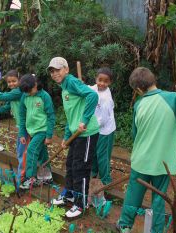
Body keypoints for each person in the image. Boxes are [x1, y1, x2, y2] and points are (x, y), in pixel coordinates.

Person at [116, 67, 176, 233]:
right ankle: (156, 230)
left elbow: (135, 134)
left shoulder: (139, 104)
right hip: (163, 163)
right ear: (153, 80)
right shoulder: (173, 98)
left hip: (140, 159)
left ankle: (125, 225)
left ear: (139, 89)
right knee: (159, 198)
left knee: (133, 193)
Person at [49, 57, 99, 218]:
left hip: (87, 133)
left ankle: (81, 204)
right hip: (75, 133)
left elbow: (92, 96)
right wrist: (66, 136)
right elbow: (71, 115)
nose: (54, 73)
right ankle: (69, 195)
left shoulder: (71, 82)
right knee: (70, 165)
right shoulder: (64, 87)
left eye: (58, 70)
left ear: (66, 70)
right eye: (52, 71)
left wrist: (84, 120)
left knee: (81, 168)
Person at [0, 70, 28, 184]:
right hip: (22, 126)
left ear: (19, 80)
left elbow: (0, 96)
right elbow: (6, 107)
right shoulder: (13, 95)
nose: (11, 84)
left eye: (14, 81)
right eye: (9, 82)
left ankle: (22, 177)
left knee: (22, 151)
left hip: (25, 126)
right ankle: (32, 174)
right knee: (22, 150)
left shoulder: (18, 92)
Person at [18, 74, 55, 189]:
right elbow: (22, 115)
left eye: (30, 91)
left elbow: (51, 116)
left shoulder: (44, 96)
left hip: (42, 130)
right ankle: (47, 177)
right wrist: (22, 133)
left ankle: (30, 178)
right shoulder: (25, 96)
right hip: (31, 131)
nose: (28, 93)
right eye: (26, 92)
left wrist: (49, 135)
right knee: (42, 154)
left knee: (31, 151)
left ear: (35, 85)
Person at [90, 67, 116, 187]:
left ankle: (106, 180)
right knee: (94, 151)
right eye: (100, 80)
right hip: (95, 128)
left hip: (105, 130)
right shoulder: (94, 88)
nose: (102, 83)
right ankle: (93, 172)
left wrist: (89, 126)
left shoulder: (106, 98)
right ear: (96, 79)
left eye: (105, 81)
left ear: (109, 82)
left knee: (102, 155)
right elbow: (88, 89)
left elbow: (104, 119)